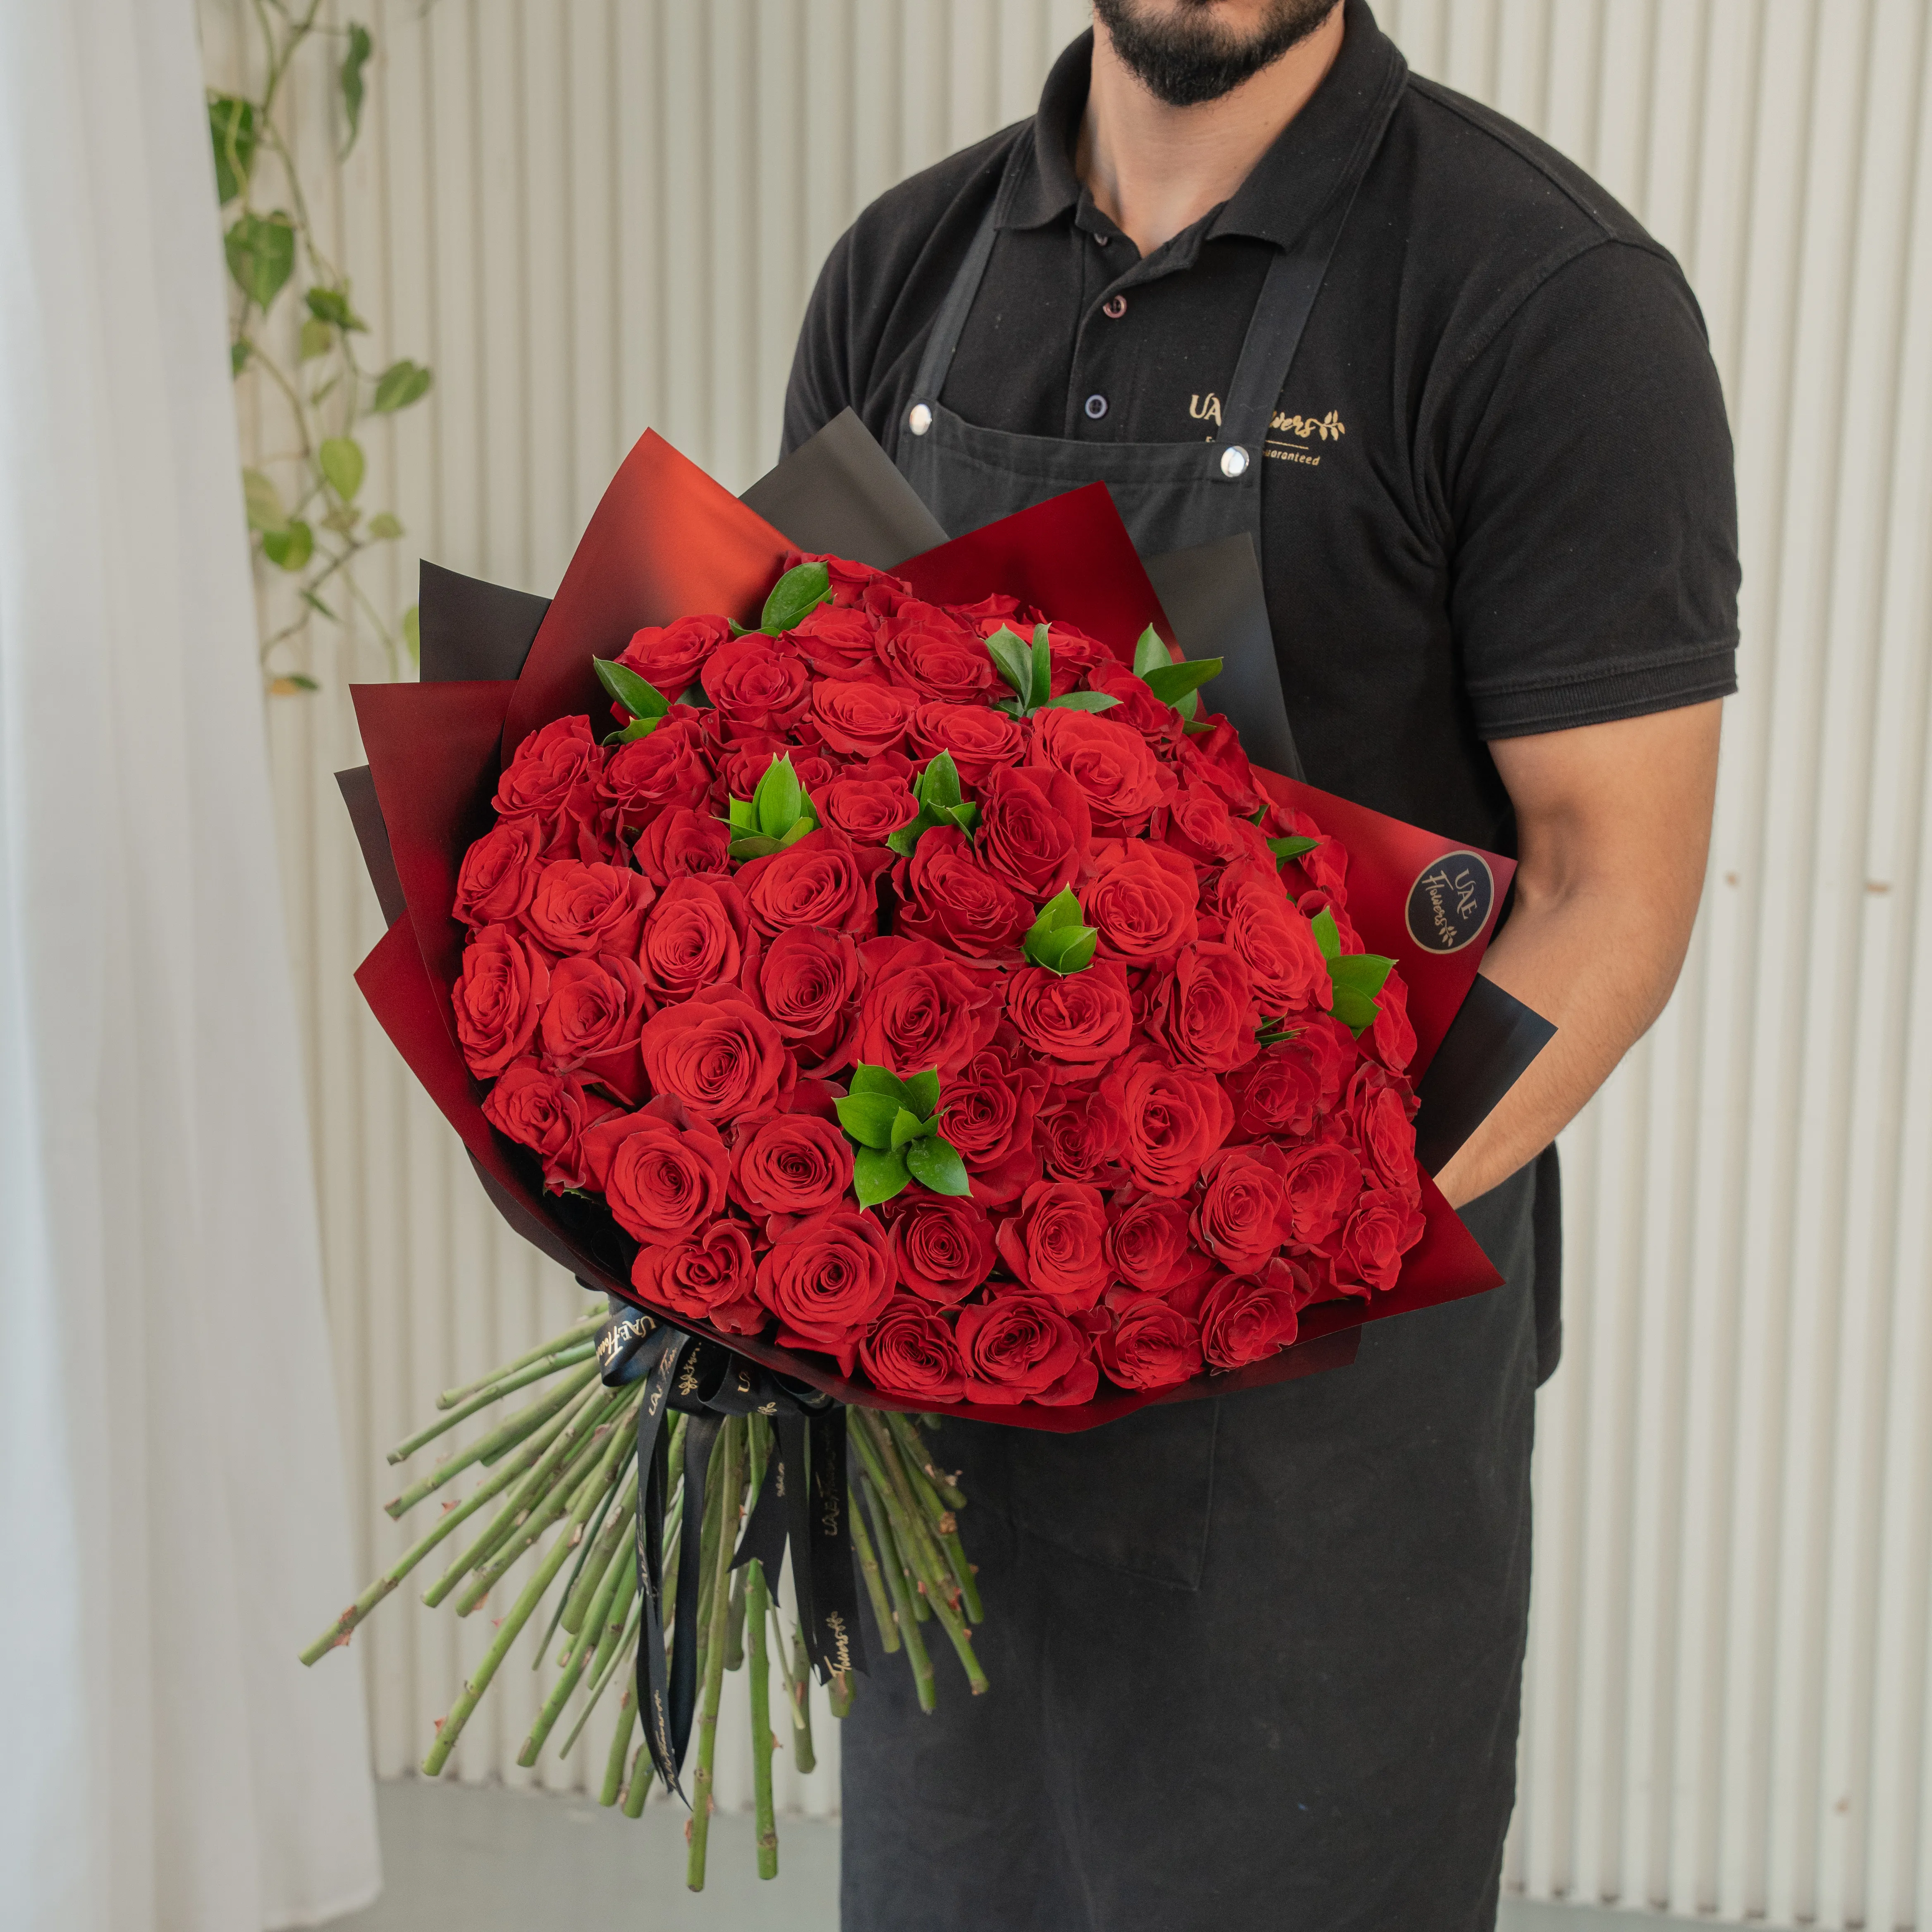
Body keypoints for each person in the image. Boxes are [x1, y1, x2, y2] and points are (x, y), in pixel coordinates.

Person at [782, 2, 1738, 1925]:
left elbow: (1606, 889)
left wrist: (1272, 1229)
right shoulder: (903, 272)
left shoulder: (1544, 297)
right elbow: (803, 781)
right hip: (947, 1415)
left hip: (1323, 1430)